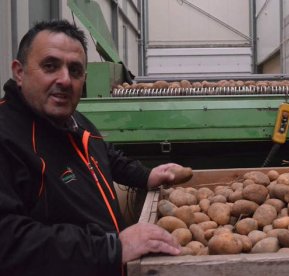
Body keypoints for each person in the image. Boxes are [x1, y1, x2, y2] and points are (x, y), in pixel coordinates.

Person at [0, 20, 182, 276]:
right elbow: (8, 242)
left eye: (75, 71)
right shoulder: (8, 137)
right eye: (50, 66)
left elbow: (102, 154)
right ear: (19, 72)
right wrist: (111, 248)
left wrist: (145, 175)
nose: (64, 80)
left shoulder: (70, 120)